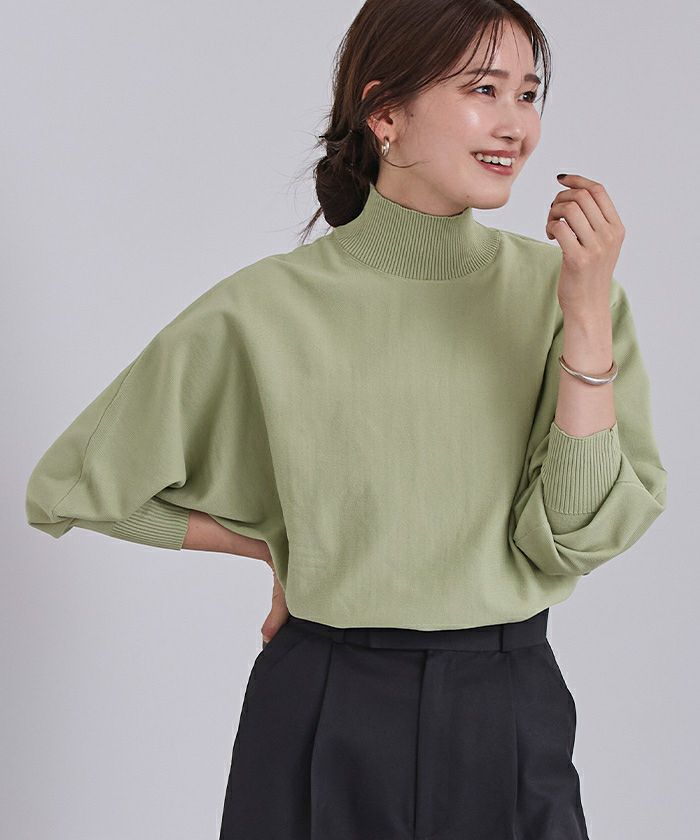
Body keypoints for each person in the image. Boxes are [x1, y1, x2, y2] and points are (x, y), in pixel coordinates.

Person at [25, 1, 668, 838]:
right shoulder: (266, 308)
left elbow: (574, 535)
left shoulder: (569, 295)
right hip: (321, 702)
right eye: (484, 89)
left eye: (527, 93)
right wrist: (275, 545)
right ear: (385, 112)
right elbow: (71, 487)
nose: (515, 124)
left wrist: (583, 313)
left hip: (508, 705)